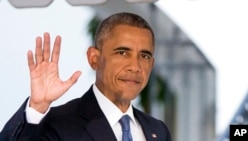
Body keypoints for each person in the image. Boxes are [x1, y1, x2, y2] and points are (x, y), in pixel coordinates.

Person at [0, 12, 171, 141]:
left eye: (144, 56)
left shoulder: (158, 130)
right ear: (94, 59)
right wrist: (36, 107)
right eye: (122, 53)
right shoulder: (58, 124)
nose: (135, 67)